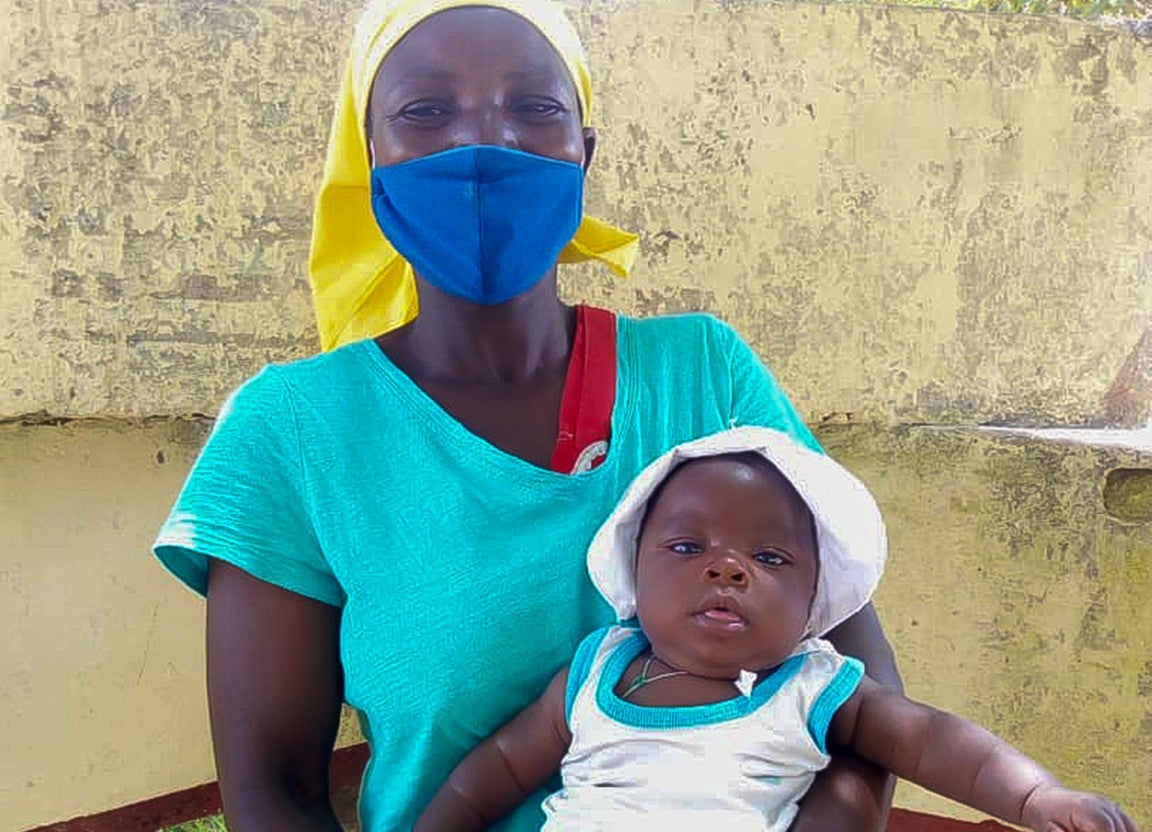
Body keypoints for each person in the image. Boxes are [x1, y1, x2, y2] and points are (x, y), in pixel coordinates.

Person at [152, 1, 902, 830]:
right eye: (426, 109)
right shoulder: (293, 431)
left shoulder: (704, 377)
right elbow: (274, 795)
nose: (486, 140)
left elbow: (862, 703)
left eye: (534, 106)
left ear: (585, 151)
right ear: (372, 163)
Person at [414, 427, 1139, 832]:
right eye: (688, 547)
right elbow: (499, 769)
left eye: (768, 558)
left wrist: (1038, 798)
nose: (726, 569)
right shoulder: (597, 671)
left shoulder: (809, 686)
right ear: (634, 569)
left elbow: (934, 742)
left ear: (814, 601)